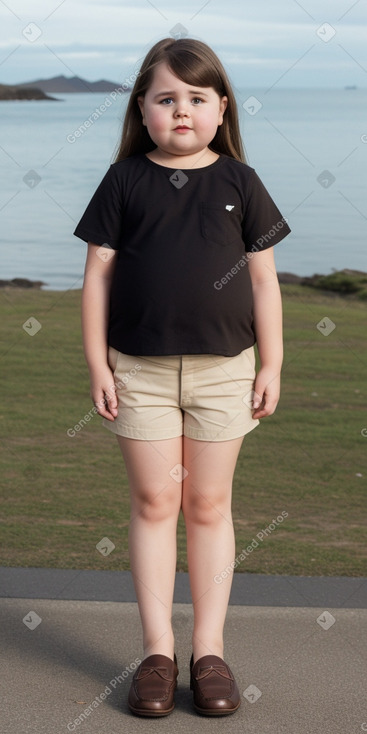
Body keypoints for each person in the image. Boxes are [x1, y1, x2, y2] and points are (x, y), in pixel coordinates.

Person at [74, 36, 291, 718]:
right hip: (136, 371)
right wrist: (96, 362)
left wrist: (274, 362)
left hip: (225, 373)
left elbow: (263, 282)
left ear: (220, 108)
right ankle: (157, 653)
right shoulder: (125, 181)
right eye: (165, 99)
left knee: (206, 506)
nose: (181, 111)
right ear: (142, 109)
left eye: (196, 98)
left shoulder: (239, 182)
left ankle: (209, 651)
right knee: (153, 506)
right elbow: (97, 275)